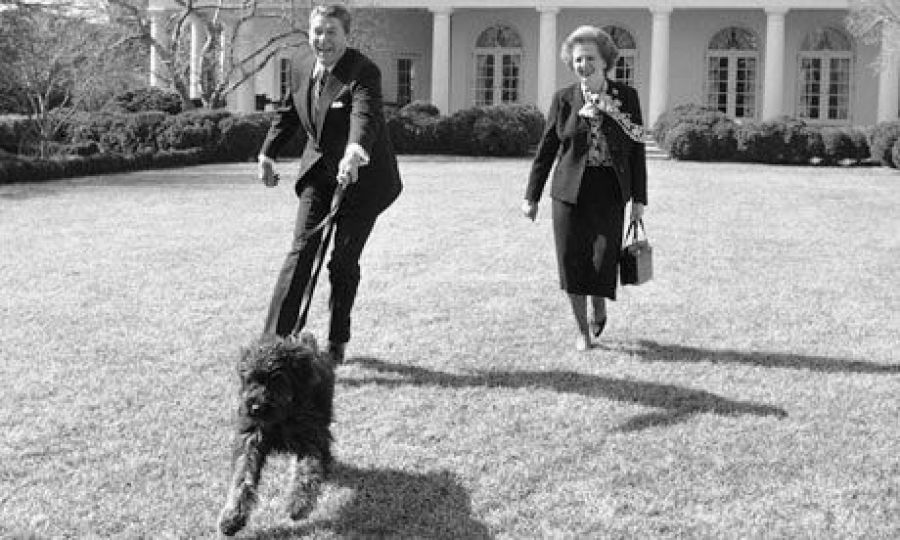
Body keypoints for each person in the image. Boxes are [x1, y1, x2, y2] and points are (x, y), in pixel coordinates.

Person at [257, 4, 402, 365]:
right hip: (318, 175)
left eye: (331, 32)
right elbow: (289, 112)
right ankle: (274, 346)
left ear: (346, 35)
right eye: (317, 31)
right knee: (300, 251)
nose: (323, 40)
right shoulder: (302, 65)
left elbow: (365, 115)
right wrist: (268, 153)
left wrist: (354, 152)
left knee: (342, 262)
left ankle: (337, 339)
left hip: (364, 180)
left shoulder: (362, 71)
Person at [522, 25, 647, 351]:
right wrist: (531, 196)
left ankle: (599, 306)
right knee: (571, 260)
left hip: (609, 189)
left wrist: (639, 198)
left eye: (590, 58)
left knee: (603, 258)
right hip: (568, 191)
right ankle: (582, 332)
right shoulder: (564, 98)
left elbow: (636, 150)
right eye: (578, 59)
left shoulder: (627, 97)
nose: (583, 64)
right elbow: (547, 149)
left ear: (605, 60)